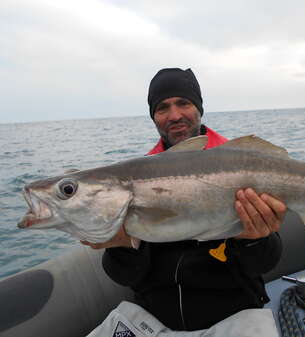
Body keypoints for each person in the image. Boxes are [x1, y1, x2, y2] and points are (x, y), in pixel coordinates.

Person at [81, 68, 287, 331]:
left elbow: (264, 264)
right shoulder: (136, 179)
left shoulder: (242, 167)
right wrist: (123, 246)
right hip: (153, 318)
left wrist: (253, 240)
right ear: (154, 117)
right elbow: (125, 276)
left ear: (199, 108)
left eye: (183, 103)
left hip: (233, 315)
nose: (175, 115)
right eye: (163, 108)